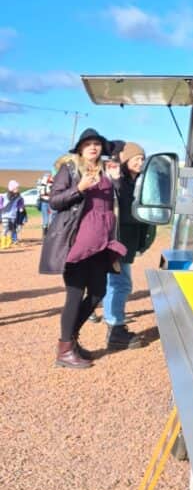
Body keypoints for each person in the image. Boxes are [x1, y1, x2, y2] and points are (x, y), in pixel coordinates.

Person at [39, 128, 126, 369]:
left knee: (98, 292)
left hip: (101, 243)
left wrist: (118, 180)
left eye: (97, 143)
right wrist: (79, 188)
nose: (93, 147)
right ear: (80, 148)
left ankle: (69, 342)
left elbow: (121, 202)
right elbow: (55, 201)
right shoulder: (70, 170)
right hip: (76, 242)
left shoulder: (108, 172)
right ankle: (65, 349)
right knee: (75, 295)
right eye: (88, 144)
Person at [102, 142, 155, 349]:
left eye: (142, 158)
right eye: (136, 159)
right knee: (120, 284)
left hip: (128, 241)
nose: (140, 162)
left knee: (115, 283)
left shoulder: (139, 182)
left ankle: (114, 323)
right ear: (125, 161)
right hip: (118, 240)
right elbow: (124, 210)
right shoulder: (119, 183)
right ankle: (115, 329)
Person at [1, 180, 27, 247]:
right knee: (5, 228)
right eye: (16, 188)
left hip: (12, 216)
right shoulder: (4, 196)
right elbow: (1, 202)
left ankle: (8, 242)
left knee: (11, 229)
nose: (18, 189)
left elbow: (20, 203)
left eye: (18, 188)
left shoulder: (18, 197)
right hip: (5, 215)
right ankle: (3, 242)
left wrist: (21, 207)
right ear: (12, 188)